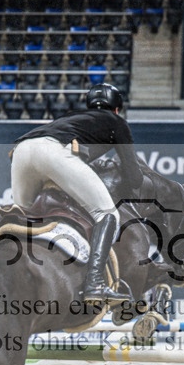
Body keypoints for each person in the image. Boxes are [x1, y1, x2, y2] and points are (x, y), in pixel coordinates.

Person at [9, 82, 142, 305]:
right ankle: (95, 284)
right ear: (117, 108)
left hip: (21, 151)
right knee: (107, 214)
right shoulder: (116, 121)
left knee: (22, 219)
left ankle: (9, 272)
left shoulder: (74, 117)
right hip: (53, 152)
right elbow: (133, 175)